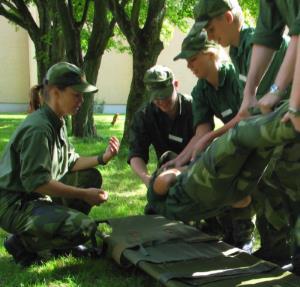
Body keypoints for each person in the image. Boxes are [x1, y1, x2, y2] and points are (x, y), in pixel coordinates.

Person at [147, 99, 300, 274]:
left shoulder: (173, 211)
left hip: (228, 196)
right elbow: (166, 180)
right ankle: (294, 111)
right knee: (238, 135)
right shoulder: (157, 187)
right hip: (199, 184)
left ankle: (291, 120)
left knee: (264, 147)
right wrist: (190, 165)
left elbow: (243, 201)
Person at [192, 0, 293, 264]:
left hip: (287, 124)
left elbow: (257, 109)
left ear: (227, 18)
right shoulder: (239, 50)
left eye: (211, 29)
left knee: (278, 181)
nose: (210, 37)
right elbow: (249, 107)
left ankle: (281, 246)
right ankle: (276, 247)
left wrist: (211, 137)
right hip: (279, 124)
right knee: (268, 181)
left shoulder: (251, 45)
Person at [0, 62, 120, 267]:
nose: (82, 100)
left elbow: (71, 161)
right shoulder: (39, 128)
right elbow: (37, 183)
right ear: (56, 93)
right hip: (13, 204)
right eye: (76, 94)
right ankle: (22, 243)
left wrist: (103, 158)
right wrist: (84, 194)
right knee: (83, 227)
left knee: (90, 176)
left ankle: (56, 237)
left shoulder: (57, 120)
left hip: (33, 198)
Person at [127, 65, 194, 188]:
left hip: (195, 168)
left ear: (176, 85)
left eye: (164, 95)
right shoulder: (144, 115)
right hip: (165, 171)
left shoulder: (193, 107)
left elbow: (204, 142)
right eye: (156, 97)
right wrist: (147, 179)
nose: (161, 101)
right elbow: (136, 153)